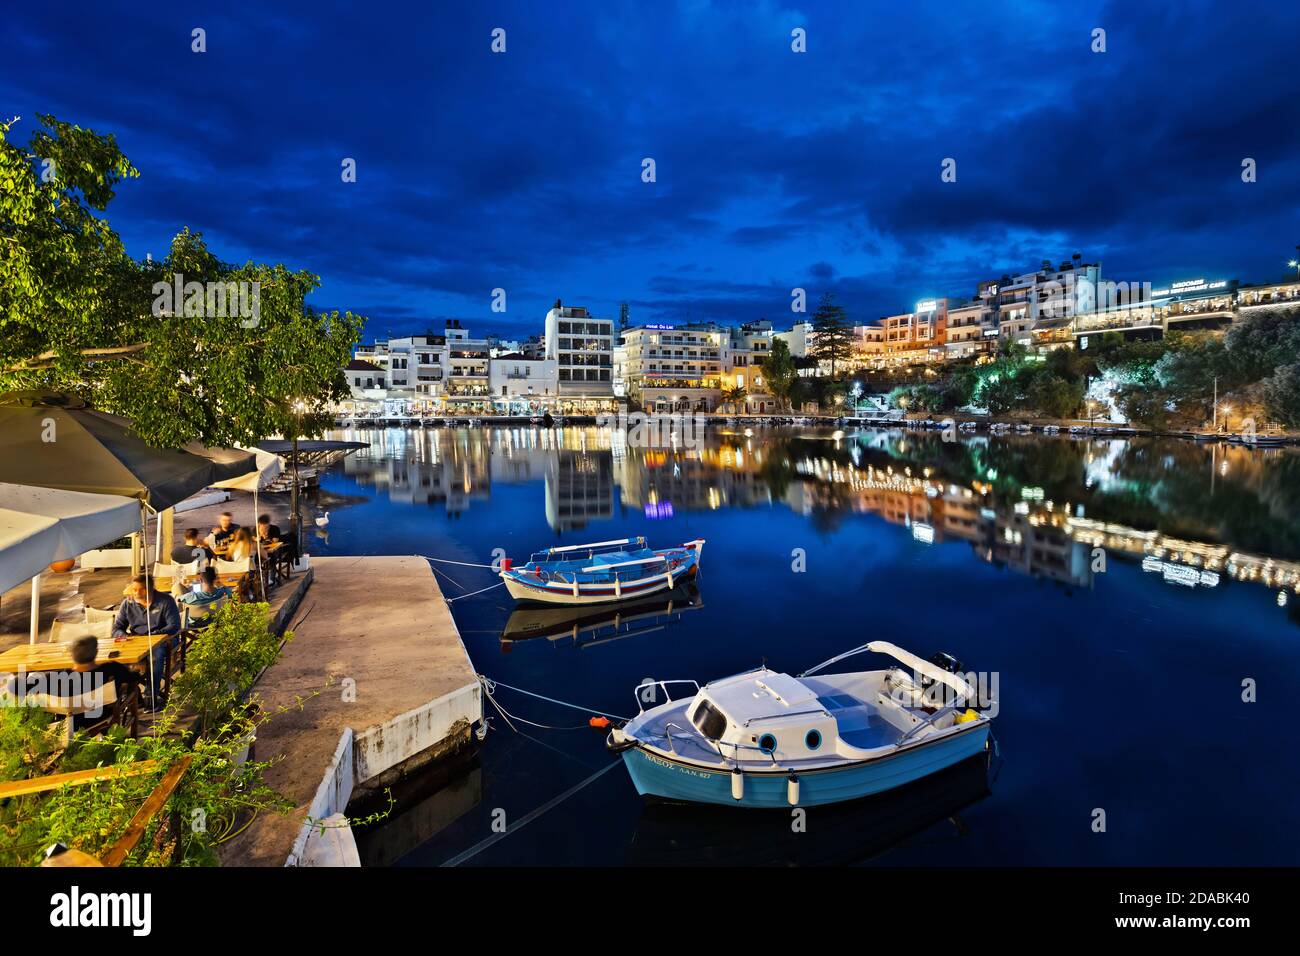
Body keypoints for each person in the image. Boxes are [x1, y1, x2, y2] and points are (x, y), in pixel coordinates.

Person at [112, 575, 181, 709]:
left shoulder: (165, 601)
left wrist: (152, 635)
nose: (137, 593)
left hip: (163, 639)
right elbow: (116, 628)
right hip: (137, 641)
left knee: (155, 656)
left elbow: (174, 625)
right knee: (116, 659)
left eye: (142, 589)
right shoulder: (128, 603)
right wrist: (124, 636)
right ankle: (131, 696)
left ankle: (151, 697)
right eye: (135, 589)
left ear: (151, 588)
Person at [65, 635, 145, 731]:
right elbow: (133, 678)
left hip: (69, 723)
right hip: (101, 719)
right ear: (96, 652)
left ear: (72, 655)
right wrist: (136, 670)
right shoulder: (111, 669)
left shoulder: (61, 677)